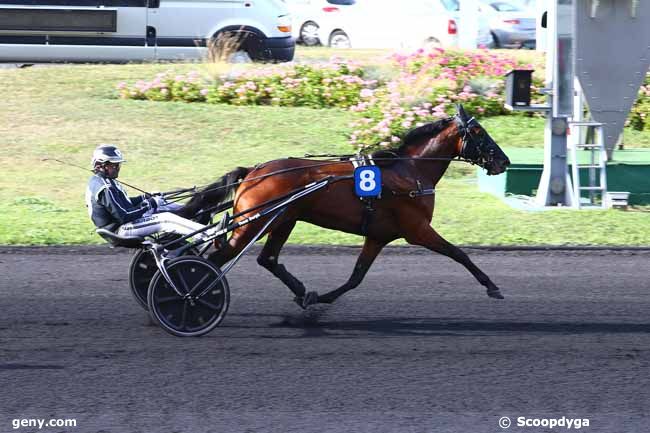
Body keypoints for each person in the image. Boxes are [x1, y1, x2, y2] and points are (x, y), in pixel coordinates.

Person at [85, 144, 213, 242]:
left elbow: (124, 203)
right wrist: (149, 204)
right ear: (102, 165)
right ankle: (208, 234)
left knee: (163, 205)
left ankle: (197, 213)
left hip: (123, 224)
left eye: (118, 165)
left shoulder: (104, 181)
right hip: (120, 230)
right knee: (166, 219)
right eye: (115, 165)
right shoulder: (105, 187)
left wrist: (145, 198)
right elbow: (123, 215)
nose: (118, 168)